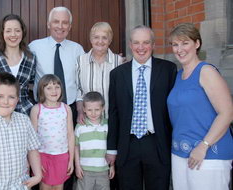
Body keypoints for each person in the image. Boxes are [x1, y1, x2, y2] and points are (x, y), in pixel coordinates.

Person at [106, 25, 177, 190]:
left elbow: (174, 110)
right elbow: (114, 113)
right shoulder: (117, 74)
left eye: (146, 42)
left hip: (157, 143)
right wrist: (112, 148)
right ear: (130, 45)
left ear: (153, 45)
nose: (141, 47)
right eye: (136, 43)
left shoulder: (168, 70)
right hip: (127, 144)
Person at [167, 23, 233, 190]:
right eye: (175, 44)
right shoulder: (177, 76)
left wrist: (203, 146)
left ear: (197, 44)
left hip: (208, 154)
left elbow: (227, 113)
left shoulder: (206, 71)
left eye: (185, 43)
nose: (179, 49)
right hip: (180, 153)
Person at [29, 6, 85, 124]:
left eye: (65, 23)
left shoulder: (77, 50)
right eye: (56, 22)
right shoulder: (34, 47)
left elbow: (84, 79)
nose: (60, 26)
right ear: (48, 24)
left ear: (69, 26)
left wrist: (116, 61)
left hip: (71, 108)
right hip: (42, 110)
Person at [30, 74, 75, 190]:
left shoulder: (66, 109)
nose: (54, 91)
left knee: (59, 186)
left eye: (57, 87)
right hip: (43, 155)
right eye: (49, 88)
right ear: (41, 90)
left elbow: (70, 135)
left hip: (62, 155)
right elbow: (32, 138)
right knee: (45, 186)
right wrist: (35, 161)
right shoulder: (37, 109)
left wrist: (71, 159)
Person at [0, 14, 36, 115]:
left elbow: (32, 84)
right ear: (2, 33)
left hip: (26, 113)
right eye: (8, 31)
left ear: (22, 32)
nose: (13, 34)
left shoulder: (30, 58)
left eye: (17, 30)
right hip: (0, 113)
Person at [76, 22, 123, 122]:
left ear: (109, 40)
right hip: (88, 122)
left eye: (104, 38)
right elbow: (79, 91)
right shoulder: (80, 61)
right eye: (96, 37)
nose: (100, 41)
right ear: (91, 39)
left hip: (113, 121)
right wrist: (80, 112)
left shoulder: (119, 62)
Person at [74, 91, 115, 190]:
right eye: (89, 110)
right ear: (84, 109)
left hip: (103, 169)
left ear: (103, 108)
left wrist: (112, 166)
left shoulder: (107, 125)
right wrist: (77, 166)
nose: (93, 113)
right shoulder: (80, 126)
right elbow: (76, 146)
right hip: (85, 170)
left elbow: (111, 146)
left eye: (97, 109)